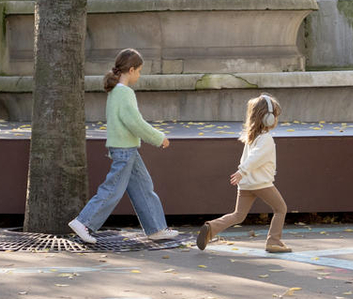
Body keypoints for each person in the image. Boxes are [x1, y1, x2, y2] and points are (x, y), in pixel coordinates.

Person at [68, 49, 179, 244]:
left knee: (143, 187)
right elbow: (135, 122)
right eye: (139, 71)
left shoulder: (115, 92)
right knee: (112, 189)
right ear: (131, 69)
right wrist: (159, 138)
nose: (139, 75)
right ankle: (83, 222)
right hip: (124, 150)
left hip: (125, 148)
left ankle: (156, 228)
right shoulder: (124, 92)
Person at [195, 94, 291, 253]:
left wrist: (242, 174)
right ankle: (273, 241)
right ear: (268, 118)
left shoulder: (252, 137)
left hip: (246, 183)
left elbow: (251, 157)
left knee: (238, 215)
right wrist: (242, 171)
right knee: (281, 208)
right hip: (261, 183)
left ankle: (211, 228)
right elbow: (255, 157)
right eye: (274, 115)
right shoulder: (266, 138)